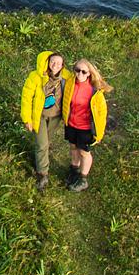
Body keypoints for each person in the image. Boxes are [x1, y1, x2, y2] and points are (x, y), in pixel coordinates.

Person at [19, 50, 68, 190]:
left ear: (63, 65)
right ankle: (42, 174)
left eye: (59, 63)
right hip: (39, 116)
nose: (55, 65)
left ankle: (42, 157)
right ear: (47, 62)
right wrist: (27, 118)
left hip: (55, 117)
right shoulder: (35, 77)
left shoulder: (66, 77)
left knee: (45, 142)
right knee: (42, 144)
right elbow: (26, 98)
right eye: (53, 61)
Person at [63, 59, 111, 191]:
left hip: (85, 128)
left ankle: (83, 179)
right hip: (71, 124)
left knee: (84, 153)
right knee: (73, 148)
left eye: (84, 71)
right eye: (77, 70)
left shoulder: (95, 91)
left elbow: (102, 113)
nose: (80, 74)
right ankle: (74, 171)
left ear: (89, 73)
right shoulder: (70, 83)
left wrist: (99, 133)